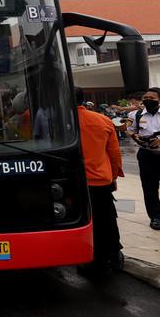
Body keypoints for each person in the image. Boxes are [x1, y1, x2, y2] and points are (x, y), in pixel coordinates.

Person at [75, 87, 124, 279]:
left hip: (75, 182)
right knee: (107, 218)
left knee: (87, 222)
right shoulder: (102, 119)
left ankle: (95, 260)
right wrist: (113, 177)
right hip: (101, 181)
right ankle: (114, 255)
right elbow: (114, 153)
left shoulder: (60, 122)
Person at [126, 87, 160, 231]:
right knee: (149, 188)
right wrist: (135, 136)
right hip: (146, 155)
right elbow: (130, 130)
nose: (147, 100)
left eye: (152, 98)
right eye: (145, 98)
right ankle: (155, 217)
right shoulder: (136, 114)